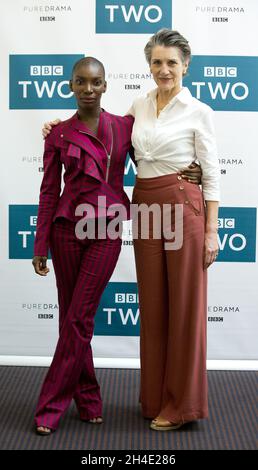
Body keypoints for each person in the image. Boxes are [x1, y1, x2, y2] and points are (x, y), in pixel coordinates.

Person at [32, 56, 135, 435]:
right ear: (71, 86)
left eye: (96, 82)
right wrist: (40, 243)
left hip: (106, 230)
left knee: (78, 317)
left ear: (106, 85)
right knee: (71, 318)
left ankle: (50, 406)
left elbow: (156, 156)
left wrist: (191, 172)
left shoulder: (125, 127)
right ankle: (89, 399)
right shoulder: (57, 134)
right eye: (81, 82)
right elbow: (48, 191)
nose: (88, 89)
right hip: (65, 232)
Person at [129, 29, 220, 431]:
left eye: (171, 62)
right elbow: (113, 140)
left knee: (184, 308)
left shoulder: (199, 110)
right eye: (156, 62)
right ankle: (154, 397)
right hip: (144, 204)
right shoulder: (138, 105)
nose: (163, 70)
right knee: (153, 307)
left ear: (186, 65)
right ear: (148, 65)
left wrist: (213, 231)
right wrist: (58, 128)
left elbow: (212, 175)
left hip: (184, 207)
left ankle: (182, 405)